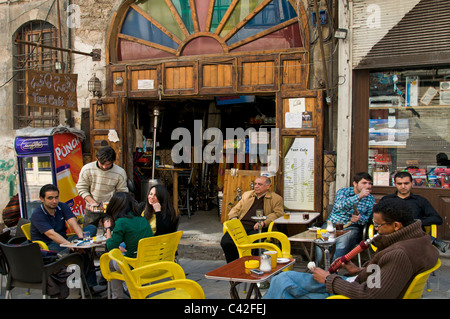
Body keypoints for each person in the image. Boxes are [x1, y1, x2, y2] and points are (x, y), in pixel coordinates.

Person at [263, 198, 439, 299]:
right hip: (357, 282)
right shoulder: (421, 239)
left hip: (352, 293)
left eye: (378, 226)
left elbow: (371, 296)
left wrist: (328, 280)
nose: (375, 229)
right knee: (284, 281)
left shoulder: (399, 253)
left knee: (284, 283)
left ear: (396, 226)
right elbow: (385, 276)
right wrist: (358, 270)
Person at [220, 176, 284, 263]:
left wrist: (264, 223)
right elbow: (235, 209)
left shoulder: (276, 198)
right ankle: (234, 264)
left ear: (268, 186)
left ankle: (251, 264)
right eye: (255, 184)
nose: (256, 186)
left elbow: (278, 213)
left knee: (252, 244)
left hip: (258, 227)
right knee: (226, 242)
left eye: (260, 184)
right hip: (241, 225)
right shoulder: (247, 195)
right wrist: (234, 220)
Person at [380, 171, 447, 252]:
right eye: (399, 184)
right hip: (392, 235)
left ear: (412, 183)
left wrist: (417, 222)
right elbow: (376, 217)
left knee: (409, 226)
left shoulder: (420, 200)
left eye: (406, 183)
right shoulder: (387, 200)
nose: (403, 186)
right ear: (395, 184)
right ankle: (432, 240)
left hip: (414, 237)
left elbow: (437, 219)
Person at [103, 192, 153, 299]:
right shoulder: (142, 220)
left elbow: (110, 247)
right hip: (148, 262)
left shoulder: (121, 222)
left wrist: (107, 228)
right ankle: (143, 294)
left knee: (110, 263)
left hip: (133, 265)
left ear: (114, 206)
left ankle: (117, 296)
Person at [323, 172, 375, 259]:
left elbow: (369, 218)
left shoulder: (370, 198)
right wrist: (358, 196)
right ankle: (320, 267)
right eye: (364, 183)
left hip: (352, 226)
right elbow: (339, 206)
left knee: (342, 243)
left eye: (370, 183)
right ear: (355, 183)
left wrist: (359, 218)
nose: (368, 186)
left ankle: (334, 268)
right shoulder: (343, 192)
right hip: (333, 224)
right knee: (321, 241)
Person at [30, 184, 96, 253]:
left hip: (64, 241)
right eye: (50, 198)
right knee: (72, 249)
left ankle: (75, 249)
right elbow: (51, 234)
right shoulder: (37, 214)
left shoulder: (62, 206)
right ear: (42, 199)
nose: (54, 201)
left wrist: (83, 240)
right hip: (47, 245)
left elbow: (73, 223)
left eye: (56, 197)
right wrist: (70, 245)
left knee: (91, 228)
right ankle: (72, 250)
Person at [76, 145, 128, 226]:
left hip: (111, 208)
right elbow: (81, 188)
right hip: (92, 208)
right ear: (97, 159)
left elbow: (122, 192)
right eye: (102, 164)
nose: (104, 167)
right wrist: (92, 202)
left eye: (108, 164)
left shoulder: (120, 172)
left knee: (112, 232)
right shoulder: (87, 169)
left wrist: (114, 205)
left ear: (113, 161)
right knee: (89, 231)